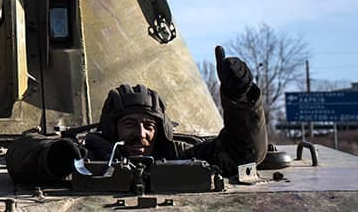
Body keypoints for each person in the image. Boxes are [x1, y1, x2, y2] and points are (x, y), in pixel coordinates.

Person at [80, 45, 267, 176]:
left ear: (160, 130)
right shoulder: (87, 158)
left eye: (149, 125)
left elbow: (243, 154)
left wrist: (240, 97)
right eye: (129, 124)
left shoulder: (180, 156)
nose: (140, 133)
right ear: (112, 129)